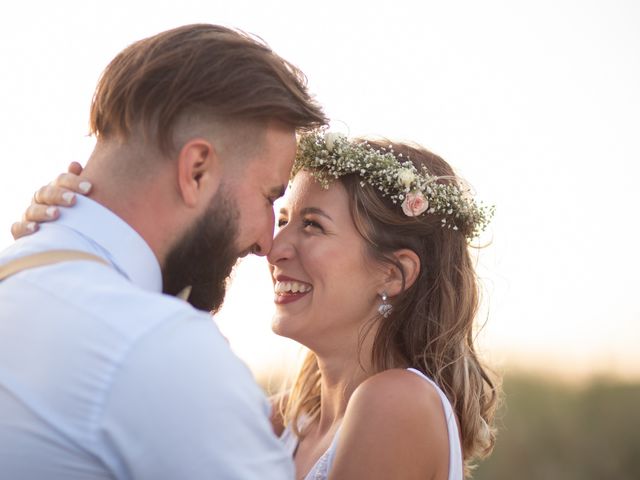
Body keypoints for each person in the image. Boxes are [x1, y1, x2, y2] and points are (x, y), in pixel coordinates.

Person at [16, 130, 500, 479]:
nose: (274, 246)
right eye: (283, 217)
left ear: (392, 274)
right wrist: (76, 241)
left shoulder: (397, 403)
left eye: (312, 225)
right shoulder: (279, 421)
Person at [0, 24, 326, 479]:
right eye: (270, 197)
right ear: (196, 170)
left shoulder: (19, 275)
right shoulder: (158, 347)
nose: (266, 242)